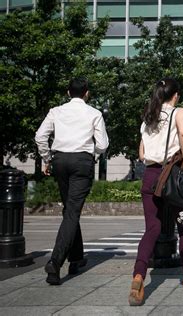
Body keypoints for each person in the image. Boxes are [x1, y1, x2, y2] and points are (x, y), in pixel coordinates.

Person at [129, 78, 183, 306]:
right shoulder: (178, 111)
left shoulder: (148, 116)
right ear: (176, 95)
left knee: (152, 228)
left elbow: (142, 154)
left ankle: (139, 275)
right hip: (172, 178)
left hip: (150, 176)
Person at [35, 78, 109, 285]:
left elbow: (40, 136)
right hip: (81, 162)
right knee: (72, 211)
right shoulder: (94, 113)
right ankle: (55, 261)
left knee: (69, 209)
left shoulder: (56, 111)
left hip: (59, 160)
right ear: (87, 93)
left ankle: (76, 258)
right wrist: (89, 154)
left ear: (68, 93)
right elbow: (102, 145)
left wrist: (47, 157)